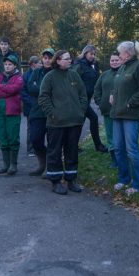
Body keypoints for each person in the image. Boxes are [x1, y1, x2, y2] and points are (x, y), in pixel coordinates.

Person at [37, 49, 88, 195]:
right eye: (66, 59)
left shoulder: (74, 75)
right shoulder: (50, 77)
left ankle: (71, 179)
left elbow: (83, 94)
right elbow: (43, 97)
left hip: (74, 122)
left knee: (72, 151)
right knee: (54, 152)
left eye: (70, 58)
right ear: (58, 60)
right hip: (56, 123)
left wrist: (81, 111)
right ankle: (56, 181)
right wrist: (53, 114)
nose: (69, 61)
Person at [110, 41, 139, 196]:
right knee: (118, 148)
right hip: (117, 114)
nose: (118, 55)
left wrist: (130, 103)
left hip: (131, 115)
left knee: (131, 150)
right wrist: (113, 94)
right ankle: (124, 178)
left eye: (120, 52)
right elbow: (118, 85)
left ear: (127, 53)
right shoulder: (122, 67)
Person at [0, 54, 24, 175]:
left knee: (13, 138)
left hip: (13, 112)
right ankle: (5, 164)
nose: (7, 66)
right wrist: (6, 90)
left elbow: (14, 89)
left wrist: (2, 88)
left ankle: (13, 165)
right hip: (0, 112)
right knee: (2, 137)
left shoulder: (19, 77)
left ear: (15, 65)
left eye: (10, 64)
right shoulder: (0, 76)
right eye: (5, 64)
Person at [24, 48, 54, 176]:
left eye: (49, 58)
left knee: (53, 141)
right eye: (45, 58)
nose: (47, 60)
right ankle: (42, 164)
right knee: (35, 139)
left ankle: (50, 168)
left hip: (53, 111)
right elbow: (30, 88)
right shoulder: (36, 72)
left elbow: (56, 90)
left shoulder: (56, 72)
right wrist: (46, 90)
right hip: (37, 111)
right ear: (42, 59)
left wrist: (40, 88)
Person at [73, 44, 108, 153]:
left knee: (81, 122)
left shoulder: (92, 65)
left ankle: (74, 146)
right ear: (85, 53)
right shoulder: (79, 65)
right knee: (92, 118)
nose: (92, 56)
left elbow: (97, 80)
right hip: (80, 100)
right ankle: (98, 145)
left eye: (94, 54)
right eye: (91, 54)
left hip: (87, 99)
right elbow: (73, 81)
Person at [0, 37, 20, 149]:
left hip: (10, 83)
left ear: (9, 45)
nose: (3, 46)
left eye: (5, 44)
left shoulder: (14, 55)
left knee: (10, 115)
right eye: (2, 44)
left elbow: (18, 69)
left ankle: (11, 140)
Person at [93, 50, 121, 168]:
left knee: (120, 136)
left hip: (121, 111)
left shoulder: (125, 73)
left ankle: (122, 158)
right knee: (110, 136)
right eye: (112, 60)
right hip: (107, 111)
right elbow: (97, 89)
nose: (114, 62)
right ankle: (114, 159)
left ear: (121, 60)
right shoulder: (104, 74)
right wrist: (100, 102)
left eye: (116, 60)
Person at [21, 55, 41, 156]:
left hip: (40, 105)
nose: (41, 64)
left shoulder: (41, 73)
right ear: (33, 64)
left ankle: (39, 147)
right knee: (31, 127)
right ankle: (30, 149)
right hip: (30, 106)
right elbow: (23, 92)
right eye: (39, 63)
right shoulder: (26, 76)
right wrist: (31, 102)